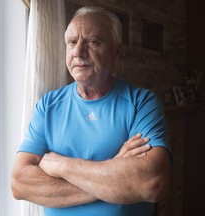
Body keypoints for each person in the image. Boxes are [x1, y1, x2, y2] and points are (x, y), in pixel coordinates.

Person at [11, 6, 171, 216]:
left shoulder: (141, 103)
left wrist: (61, 166)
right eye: (72, 42)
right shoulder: (47, 105)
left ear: (116, 52)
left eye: (93, 42)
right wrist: (114, 173)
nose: (78, 52)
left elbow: (152, 183)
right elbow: (19, 184)